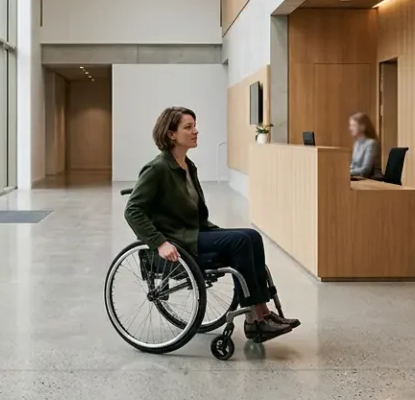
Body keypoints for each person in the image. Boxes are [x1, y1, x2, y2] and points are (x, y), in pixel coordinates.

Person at [124, 106, 300, 340]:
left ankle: (260, 314)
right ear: (171, 134)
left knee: (252, 236)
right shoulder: (157, 169)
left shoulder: (187, 166)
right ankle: (256, 318)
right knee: (240, 242)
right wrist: (159, 243)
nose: (196, 131)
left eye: (195, 126)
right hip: (179, 240)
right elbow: (132, 210)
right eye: (188, 127)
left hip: (195, 232)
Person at [348, 112, 382, 180]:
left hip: (372, 180)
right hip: (359, 178)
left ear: (363, 127)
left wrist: (347, 172)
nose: (350, 128)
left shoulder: (371, 144)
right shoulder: (357, 143)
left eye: (353, 125)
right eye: (350, 125)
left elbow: (366, 170)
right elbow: (353, 165)